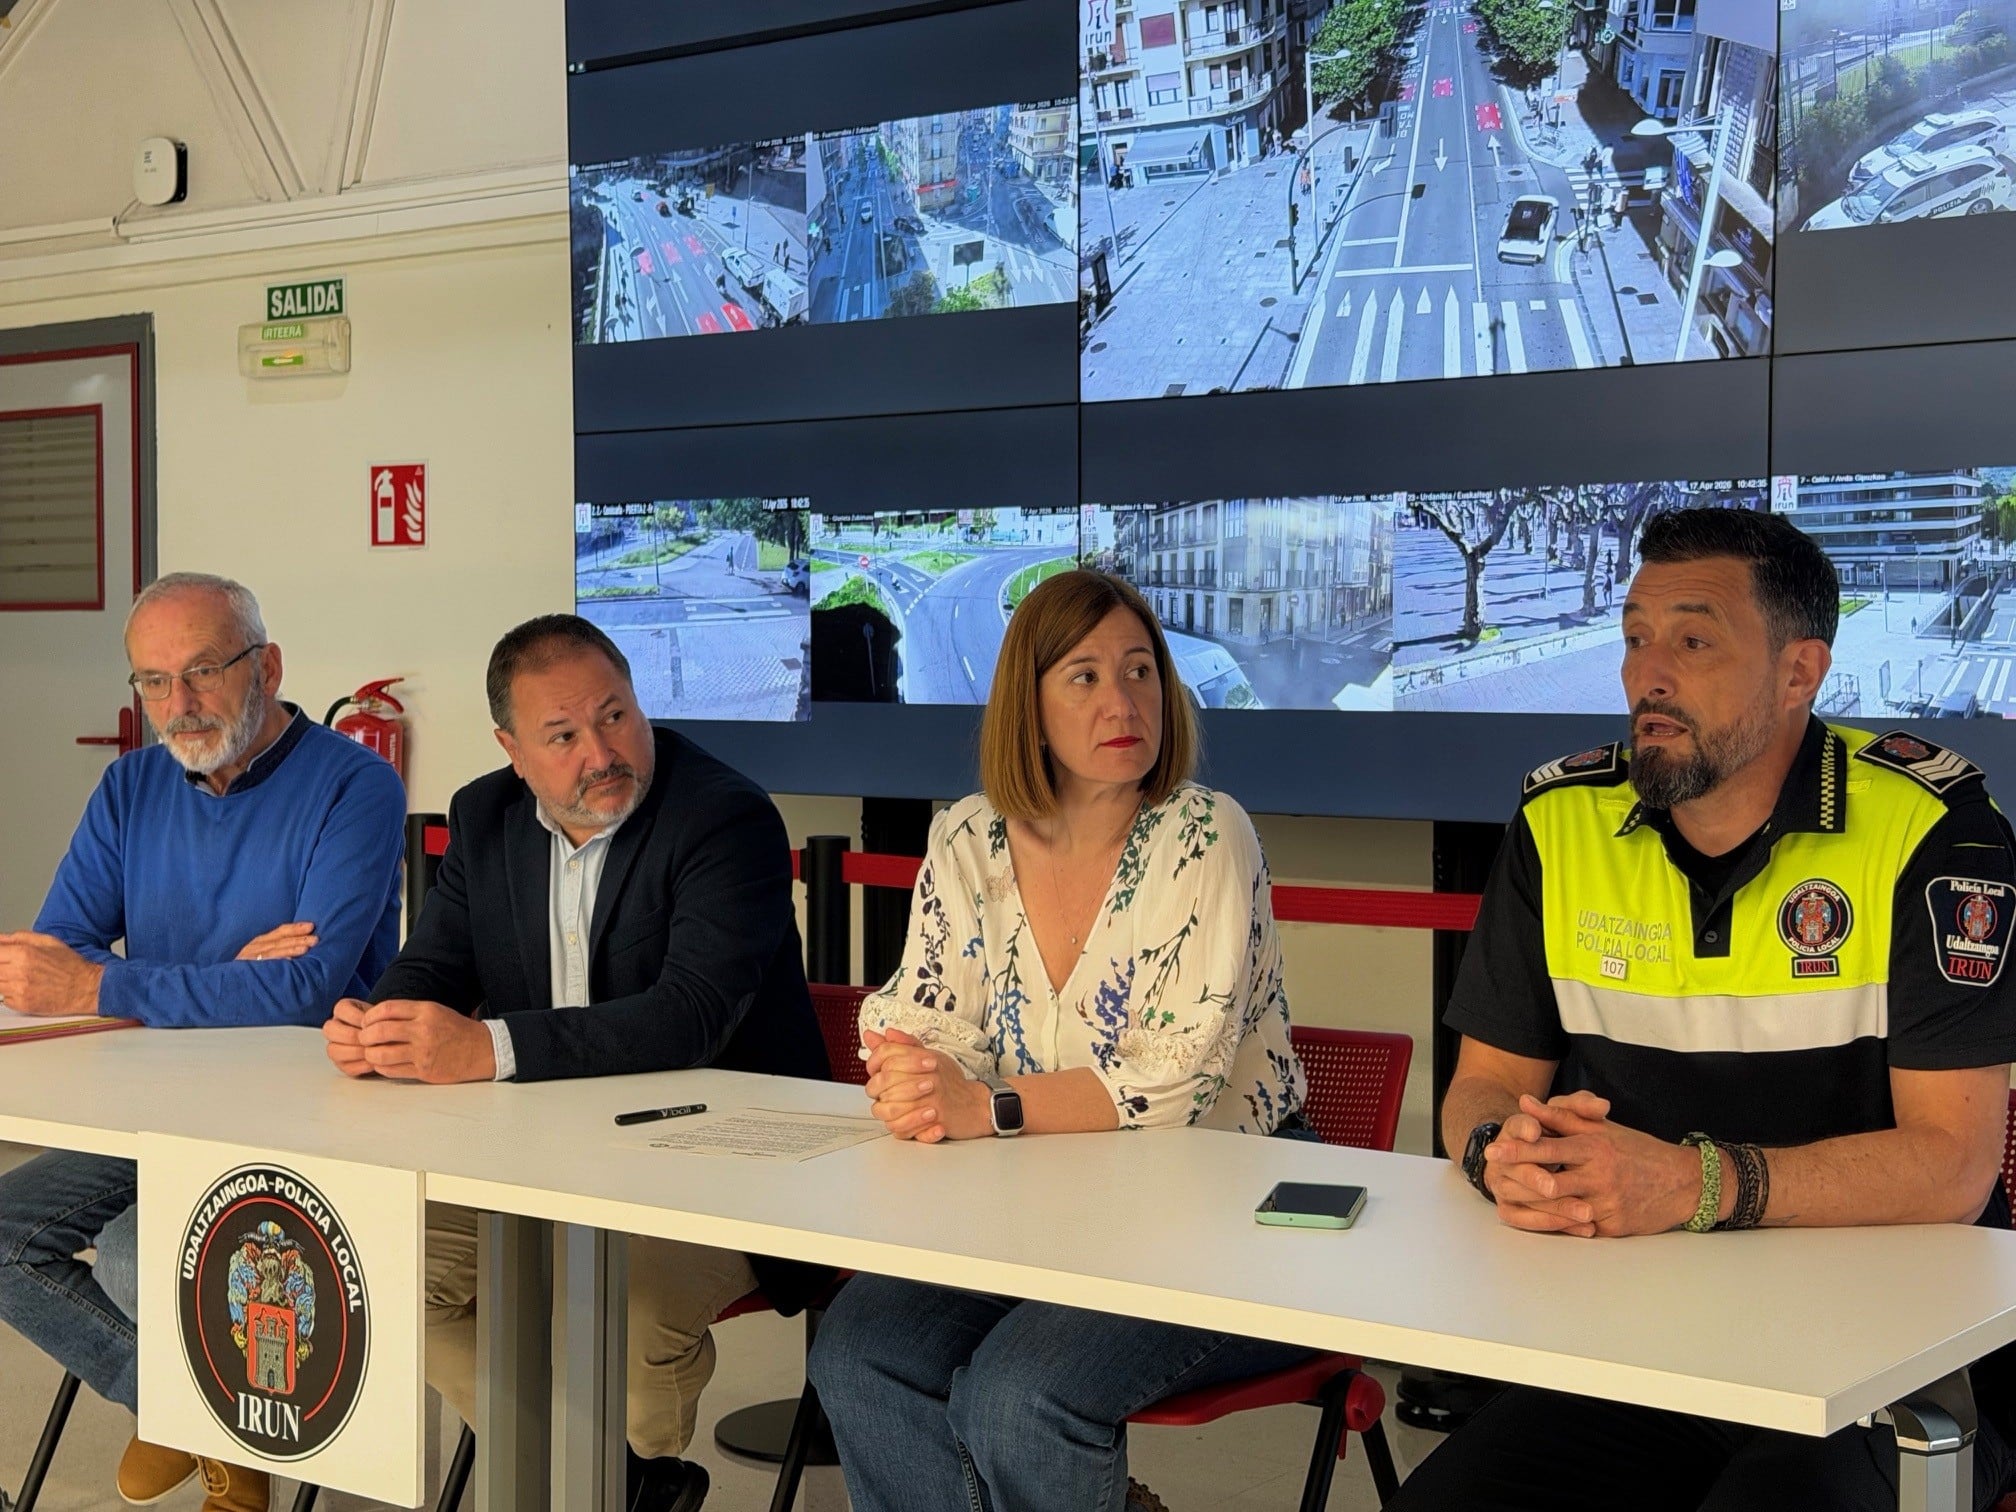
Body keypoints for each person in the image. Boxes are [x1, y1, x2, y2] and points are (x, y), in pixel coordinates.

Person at [1393, 508, 2016, 1511]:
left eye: (1693, 640)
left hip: (1886, 1360)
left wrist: (1694, 1185)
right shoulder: (1560, 822)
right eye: (1636, 637)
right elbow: (1488, 1086)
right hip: (1637, 1347)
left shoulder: (1932, 828)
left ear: (1798, 673)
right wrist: (1495, 1157)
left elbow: (1955, 1161)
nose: (1649, 675)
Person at [806, 570, 1312, 1512]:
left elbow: (1177, 1083)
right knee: (859, 1352)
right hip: (1035, 1203)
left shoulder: (1205, 833)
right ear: (1027, 709)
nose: (1123, 701)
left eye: (1139, 671)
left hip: (1224, 1211)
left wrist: (980, 1104)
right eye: (1083, 677)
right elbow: (917, 1006)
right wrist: (917, 1071)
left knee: (1019, 1394)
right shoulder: (966, 835)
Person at [322, 614, 826, 1512]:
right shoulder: (485, 815)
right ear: (512, 750)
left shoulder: (725, 817)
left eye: (617, 715)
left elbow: (691, 1018)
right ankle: (616, 1483)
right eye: (563, 735)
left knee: (621, 1316)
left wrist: (490, 1046)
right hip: (537, 1161)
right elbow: (436, 965)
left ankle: (618, 1467)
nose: (603, 751)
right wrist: (379, 1020)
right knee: (374, 1266)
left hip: (728, 1163)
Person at [0, 572, 405, 1512]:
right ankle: (193, 1412)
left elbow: (305, 992)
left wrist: (119, 983)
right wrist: (232, 972)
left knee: (147, 1255)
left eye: (202, 673)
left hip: (305, 1107)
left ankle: (223, 1433)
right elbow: (59, 956)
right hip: (151, 1102)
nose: (176, 706)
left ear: (266, 666)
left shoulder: (356, 783)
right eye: (151, 682)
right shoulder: (130, 784)